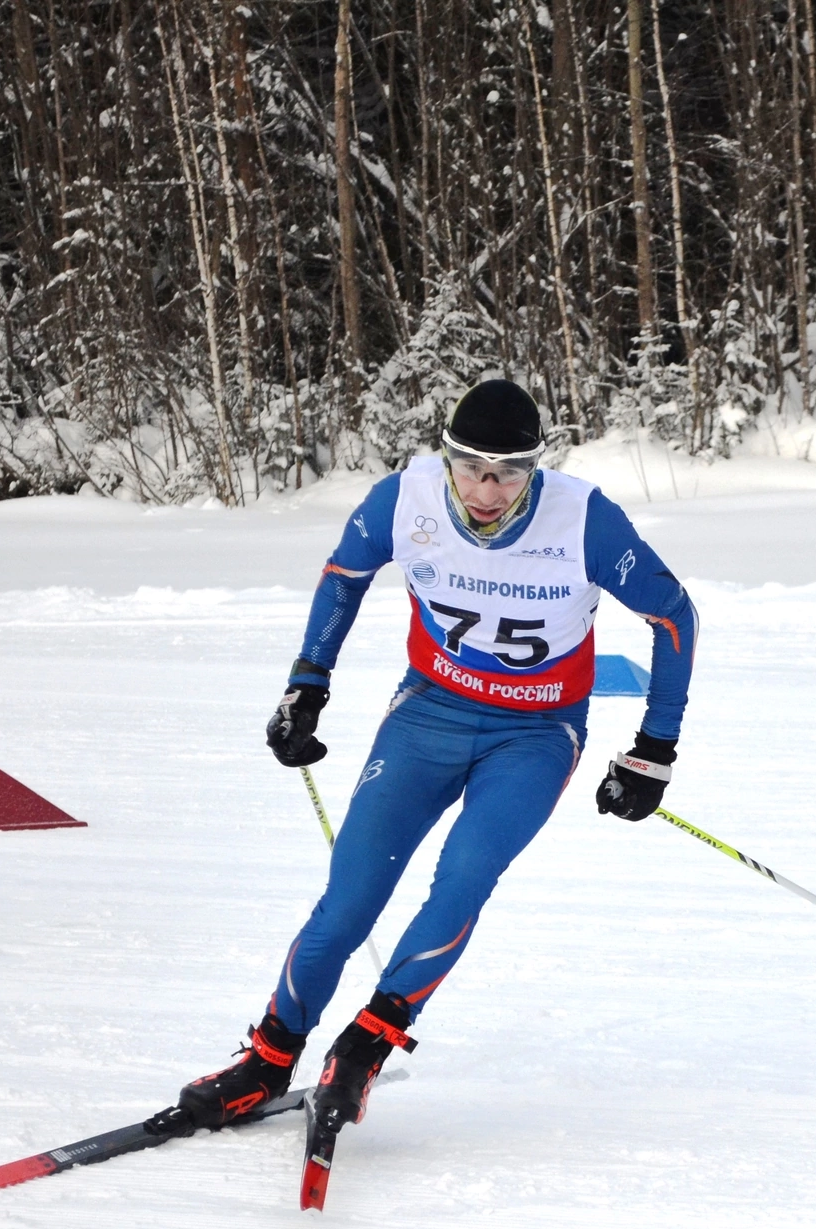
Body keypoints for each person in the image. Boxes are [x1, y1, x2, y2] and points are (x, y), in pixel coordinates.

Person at [174, 379, 697, 1150]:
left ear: (536, 469)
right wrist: (306, 686)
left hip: (537, 731)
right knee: (348, 901)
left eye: (510, 472)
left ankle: (367, 1044)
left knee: (462, 879)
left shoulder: (584, 519)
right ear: (445, 457)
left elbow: (672, 614)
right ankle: (268, 1058)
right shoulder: (405, 499)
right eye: (471, 467)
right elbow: (342, 578)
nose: (487, 491)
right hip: (427, 714)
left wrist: (655, 750)